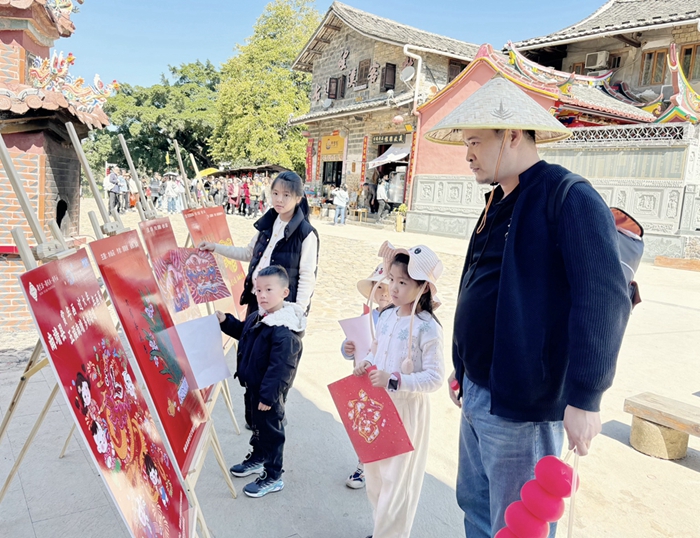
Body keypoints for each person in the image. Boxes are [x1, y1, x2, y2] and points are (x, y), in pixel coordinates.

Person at [424, 77, 632, 538]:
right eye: (466, 143)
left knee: (518, 521)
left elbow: (603, 298)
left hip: (523, 401)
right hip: (478, 387)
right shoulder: (496, 202)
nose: (468, 154)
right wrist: (463, 366)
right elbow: (482, 285)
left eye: (476, 142)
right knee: (475, 505)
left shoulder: (568, 196)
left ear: (513, 135)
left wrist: (586, 396)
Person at [199, 171, 319, 429]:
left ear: (298, 198)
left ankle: (272, 417)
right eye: (275, 193)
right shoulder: (268, 224)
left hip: (282, 309)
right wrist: (216, 248)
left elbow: (307, 276)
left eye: (286, 195)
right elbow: (247, 253)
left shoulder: (306, 234)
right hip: (258, 301)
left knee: (275, 365)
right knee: (252, 356)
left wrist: (296, 312)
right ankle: (254, 418)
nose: (279, 199)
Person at [352, 241, 444, 538]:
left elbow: (435, 377)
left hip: (406, 411)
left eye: (403, 282)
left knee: (398, 481)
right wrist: (366, 363)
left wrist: (396, 380)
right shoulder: (388, 316)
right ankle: (381, 529)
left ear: (423, 287)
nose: (393, 287)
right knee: (375, 476)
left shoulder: (428, 327)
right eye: (391, 279)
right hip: (378, 405)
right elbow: (376, 349)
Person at [217, 265, 305, 498]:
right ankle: (258, 457)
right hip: (253, 387)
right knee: (256, 426)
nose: (262, 295)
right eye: (258, 290)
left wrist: (268, 397)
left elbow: (281, 369)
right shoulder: (259, 316)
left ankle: (273, 475)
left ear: (285, 292)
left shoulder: (284, 330)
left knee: (271, 432)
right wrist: (225, 321)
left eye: (268, 289)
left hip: (268, 394)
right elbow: (243, 332)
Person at [340, 263, 391, 489]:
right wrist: (347, 347)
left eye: (389, 287)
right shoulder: (367, 317)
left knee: (387, 423)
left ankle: (384, 469)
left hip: (387, 379)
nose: (384, 293)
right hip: (365, 378)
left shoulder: (399, 319)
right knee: (366, 422)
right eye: (379, 288)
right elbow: (352, 343)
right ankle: (364, 466)